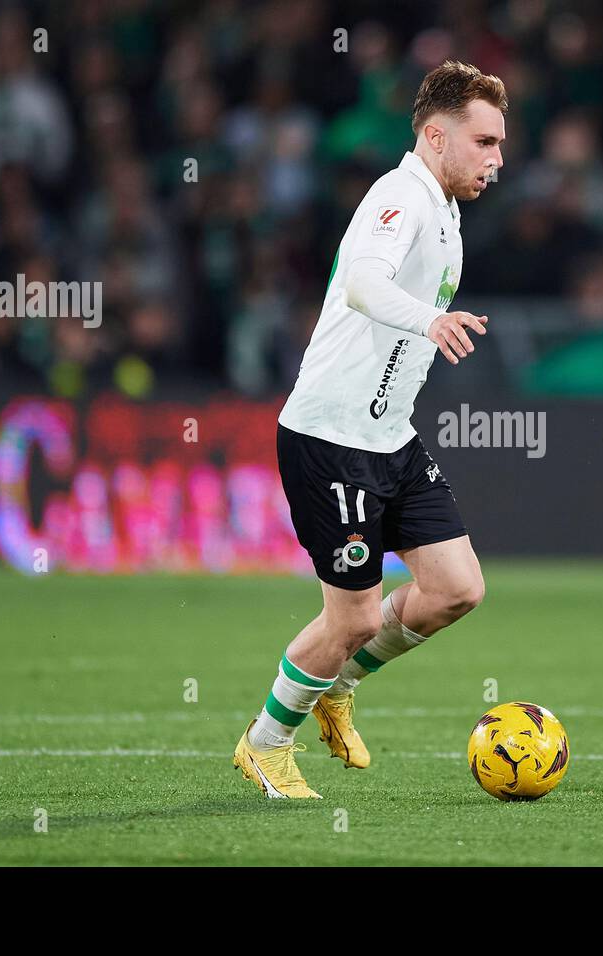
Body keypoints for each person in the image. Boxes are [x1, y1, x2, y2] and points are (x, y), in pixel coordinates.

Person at [233, 61, 507, 798]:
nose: (497, 160)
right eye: (484, 142)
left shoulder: (445, 209)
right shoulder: (400, 196)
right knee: (348, 618)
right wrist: (431, 319)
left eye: (500, 144)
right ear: (434, 135)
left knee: (455, 587)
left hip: (389, 437)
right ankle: (265, 744)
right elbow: (363, 283)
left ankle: (336, 685)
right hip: (330, 440)